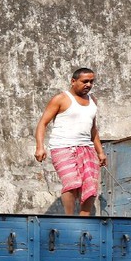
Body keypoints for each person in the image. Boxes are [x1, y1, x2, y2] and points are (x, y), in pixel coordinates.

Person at [34, 67, 107, 216]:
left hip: (86, 148)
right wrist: (40, 147)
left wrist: (100, 152)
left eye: (91, 82)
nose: (88, 84)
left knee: (91, 187)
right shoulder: (61, 99)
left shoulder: (93, 100)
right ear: (73, 81)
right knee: (71, 183)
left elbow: (93, 129)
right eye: (84, 81)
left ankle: (84, 220)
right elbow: (42, 123)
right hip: (62, 147)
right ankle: (70, 218)